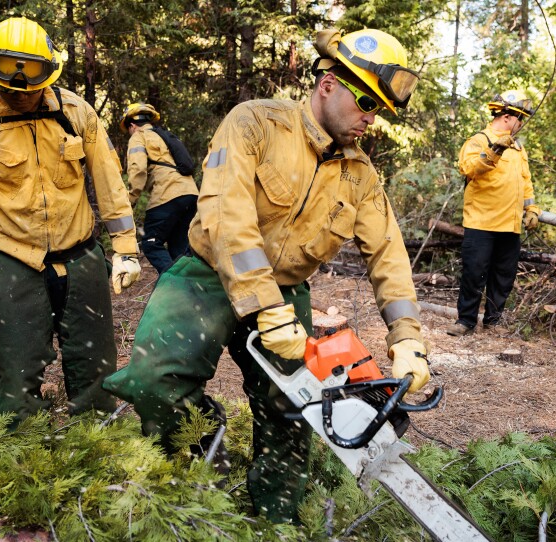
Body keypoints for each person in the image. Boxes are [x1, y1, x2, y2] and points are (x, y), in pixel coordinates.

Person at [103, 28, 430, 523]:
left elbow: (389, 255)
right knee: (153, 381)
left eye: (379, 108)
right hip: (206, 275)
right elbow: (225, 214)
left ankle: (279, 518)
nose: (370, 117)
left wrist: (407, 338)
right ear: (328, 84)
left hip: (289, 291)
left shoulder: (360, 175)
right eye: (364, 100)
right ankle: (198, 467)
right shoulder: (255, 122)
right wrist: (261, 304)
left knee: (292, 414)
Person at [0, 17, 141, 426]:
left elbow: (109, 182)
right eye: (10, 73)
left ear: (48, 69)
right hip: (13, 263)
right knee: (17, 371)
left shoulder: (75, 112)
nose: (21, 87)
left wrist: (127, 250)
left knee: (96, 367)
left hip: (81, 257)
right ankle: (23, 458)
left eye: (31, 73)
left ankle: (101, 448)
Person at [446, 90, 540, 337]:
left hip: (510, 224)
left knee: (503, 277)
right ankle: (465, 322)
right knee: (474, 274)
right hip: (482, 222)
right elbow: (467, 167)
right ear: (508, 117)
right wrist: (495, 150)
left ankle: (493, 322)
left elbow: (525, 181)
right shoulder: (479, 140)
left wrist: (531, 208)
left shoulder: (518, 148)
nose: (520, 126)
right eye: (520, 120)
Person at [120, 103, 199, 275]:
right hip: (190, 194)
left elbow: (138, 169)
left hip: (168, 195)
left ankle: (173, 286)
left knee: (151, 243)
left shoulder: (138, 137)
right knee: (179, 249)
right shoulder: (163, 136)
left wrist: (131, 199)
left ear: (132, 125)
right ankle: (190, 291)